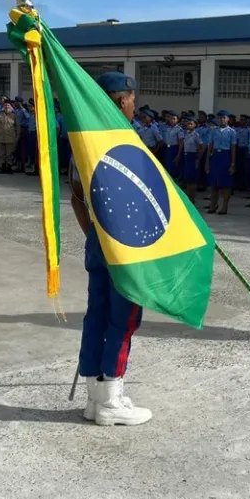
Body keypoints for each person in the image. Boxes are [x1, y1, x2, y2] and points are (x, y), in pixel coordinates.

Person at [69, 71, 152, 427]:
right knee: (123, 320)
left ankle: (95, 397)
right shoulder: (127, 142)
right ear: (121, 101)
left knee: (96, 317)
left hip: (97, 244)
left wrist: (96, 237)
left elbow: (75, 198)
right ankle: (112, 401)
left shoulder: (82, 142)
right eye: (132, 99)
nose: (134, 106)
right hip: (124, 248)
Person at [205, 110, 237, 214]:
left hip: (225, 156)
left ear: (228, 119)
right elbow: (210, 147)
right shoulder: (214, 131)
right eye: (220, 118)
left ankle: (224, 206)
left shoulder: (232, 132)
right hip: (216, 156)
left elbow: (233, 148)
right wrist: (207, 162)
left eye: (224, 118)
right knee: (214, 183)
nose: (222, 120)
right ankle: (213, 205)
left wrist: (232, 164)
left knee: (225, 184)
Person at [177, 117, 202, 202]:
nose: (189, 125)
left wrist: (198, 158)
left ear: (195, 125)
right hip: (186, 156)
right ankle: (188, 196)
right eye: (188, 124)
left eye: (191, 124)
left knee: (192, 179)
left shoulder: (196, 135)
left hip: (193, 156)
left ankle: (192, 198)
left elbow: (200, 147)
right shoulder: (186, 134)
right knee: (187, 179)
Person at [0, 100, 20, 174]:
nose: (6, 107)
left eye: (8, 105)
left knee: (9, 154)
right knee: (2, 154)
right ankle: (3, 167)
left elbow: (17, 127)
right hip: (0, 137)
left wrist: (17, 136)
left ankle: (9, 167)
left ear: (11, 107)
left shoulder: (14, 115)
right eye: (5, 105)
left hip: (10, 138)